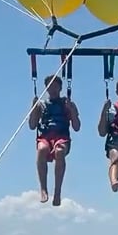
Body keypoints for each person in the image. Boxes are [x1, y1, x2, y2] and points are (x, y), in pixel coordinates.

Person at [29, 75, 80, 206]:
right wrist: (33, 109)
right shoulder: (42, 105)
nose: (52, 89)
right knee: (42, 150)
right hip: (45, 137)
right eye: (49, 86)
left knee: (59, 151)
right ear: (46, 88)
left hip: (62, 138)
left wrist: (72, 111)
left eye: (55, 86)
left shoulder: (67, 104)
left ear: (60, 88)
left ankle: (57, 192)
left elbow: (76, 127)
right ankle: (43, 189)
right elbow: (32, 125)